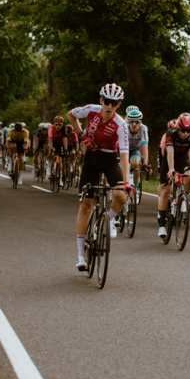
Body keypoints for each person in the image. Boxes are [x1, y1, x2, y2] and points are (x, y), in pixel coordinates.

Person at [67, 83, 134, 271]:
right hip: (91, 159)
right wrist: (81, 135)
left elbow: (124, 154)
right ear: (101, 101)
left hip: (110, 160)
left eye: (114, 103)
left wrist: (127, 182)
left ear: (118, 104)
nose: (109, 106)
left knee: (121, 196)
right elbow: (70, 115)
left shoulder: (121, 124)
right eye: (107, 102)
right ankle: (81, 255)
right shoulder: (90, 110)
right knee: (85, 206)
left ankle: (107, 219)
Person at [156, 113, 190, 239]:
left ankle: (183, 198)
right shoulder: (171, 133)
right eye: (183, 130)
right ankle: (161, 226)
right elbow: (169, 152)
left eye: (189, 130)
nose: (186, 133)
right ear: (178, 127)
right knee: (165, 191)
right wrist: (171, 169)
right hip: (169, 159)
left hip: (183, 159)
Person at [125, 106, 150, 190]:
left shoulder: (143, 128)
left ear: (140, 122)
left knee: (135, 163)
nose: (134, 124)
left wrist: (145, 163)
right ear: (128, 122)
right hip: (122, 149)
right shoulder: (123, 127)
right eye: (132, 122)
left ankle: (134, 188)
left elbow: (145, 147)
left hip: (134, 149)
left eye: (137, 122)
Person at [47, 116, 68, 184]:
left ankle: (60, 178)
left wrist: (65, 149)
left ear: (62, 125)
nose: (58, 126)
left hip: (59, 143)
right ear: (54, 124)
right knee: (51, 153)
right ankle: (49, 166)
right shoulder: (51, 128)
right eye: (56, 124)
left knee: (60, 160)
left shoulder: (64, 129)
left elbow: (65, 139)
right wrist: (51, 148)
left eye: (60, 125)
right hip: (52, 142)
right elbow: (50, 138)